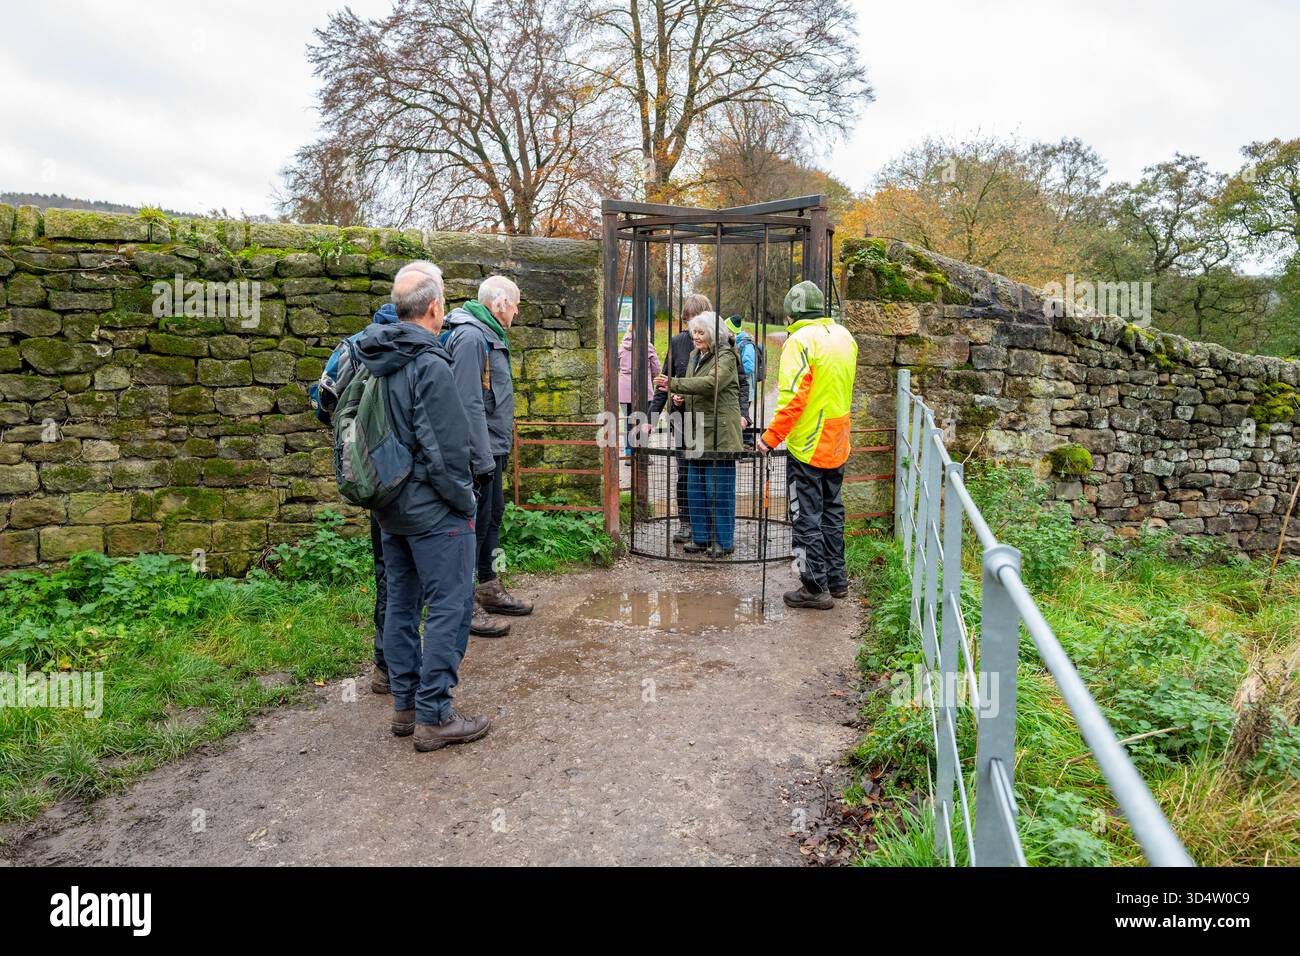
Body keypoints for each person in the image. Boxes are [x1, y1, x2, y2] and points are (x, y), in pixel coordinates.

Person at [353, 265, 490, 752]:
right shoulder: (429, 363)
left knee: (403, 605)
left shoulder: (376, 354)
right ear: (434, 307)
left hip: (389, 504)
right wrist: (464, 501)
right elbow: (447, 449)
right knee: (450, 605)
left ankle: (405, 706)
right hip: (433, 511)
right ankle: (436, 714)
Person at [311, 261, 435, 696]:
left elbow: (322, 402)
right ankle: (409, 670)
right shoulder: (424, 345)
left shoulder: (355, 345)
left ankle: (388, 666)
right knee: (421, 575)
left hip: (375, 480)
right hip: (419, 485)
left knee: (390, 572)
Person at [756, 281, 858, 610]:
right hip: (837, 439)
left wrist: (769, 438)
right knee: (832, 511)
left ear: (792, 315)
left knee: (805, 516)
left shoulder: (799, 342)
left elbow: (793, 400)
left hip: (808, 446)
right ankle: (837, 579)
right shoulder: (844, 337)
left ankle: (814, 587)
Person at [443, 274, 534, 638]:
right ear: (499, 303)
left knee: (493, 516)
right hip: (478, 452)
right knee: (474, 526)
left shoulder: (488, 333)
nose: (516, 310)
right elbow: (467, 405)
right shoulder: (470, 337)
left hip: (493, 447)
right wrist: (480, 458)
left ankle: (488, 586)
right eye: (514, 303)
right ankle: (464, 606)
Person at [653, 311, 742, 557]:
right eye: (694, 332)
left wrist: (675, 384)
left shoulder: (725, 356)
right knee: (696, 487)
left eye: (701, 333)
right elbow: (694, 387)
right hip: (697, 430)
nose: (695, 337)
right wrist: (681, 399)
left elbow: (712, 384)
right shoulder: (695, 355)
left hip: (719, 433)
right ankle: (701, 538)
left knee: (719, 490)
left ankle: (724, 541)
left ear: (714, 334)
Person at [617, 325, 661, 455]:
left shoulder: (621, 347)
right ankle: (642, 451)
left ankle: (629, 451)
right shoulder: (648, 347)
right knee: (644, 420)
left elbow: (615, 365)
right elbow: (656, 368)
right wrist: (651, 376)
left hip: (625, 390)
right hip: (644, 389)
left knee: (628, 421)